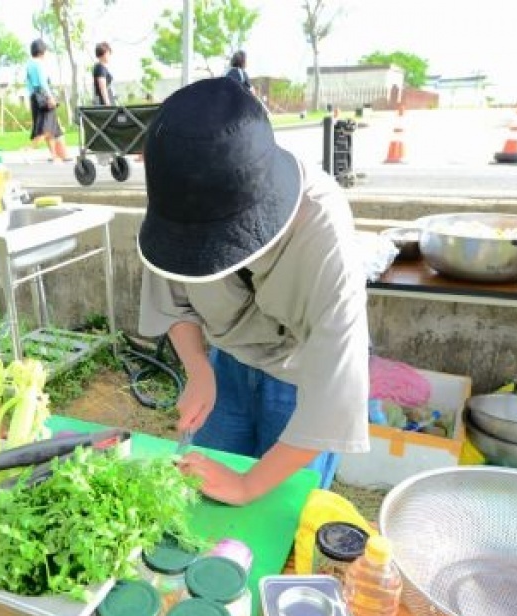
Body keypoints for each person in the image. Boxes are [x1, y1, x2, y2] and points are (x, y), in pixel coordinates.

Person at [138, 78, 370, 505]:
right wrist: (198, 368)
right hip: (225, 365)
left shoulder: (323, 230)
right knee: (204, 496)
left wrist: (248, 485)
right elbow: (174, 300)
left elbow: (333, 397)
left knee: (283, 508)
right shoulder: (178, 200)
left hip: (300, 377)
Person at [26, 38, 68, 162]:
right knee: (45, 129)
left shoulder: (29, 64)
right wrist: (50, 97)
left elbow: (29, 85)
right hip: (43, 97)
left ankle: (56, 155)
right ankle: (28, 150)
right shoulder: (38, 64)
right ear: (42, 51)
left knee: (52, 128)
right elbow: (43, 82)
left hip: (35, 97)